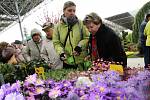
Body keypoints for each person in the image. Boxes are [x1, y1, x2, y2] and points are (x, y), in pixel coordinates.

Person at [53, 1, 89, 69]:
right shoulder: (57, 27)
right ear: (64, 11)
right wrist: (61, 53)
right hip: (68, 62)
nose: (72, 13)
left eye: (74, 11)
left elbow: (87, 37)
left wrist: (79, 46)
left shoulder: (81, 23)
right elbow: (56, 43)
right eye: (69, 10)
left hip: (82, 61)